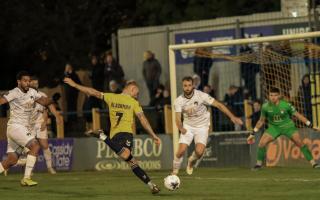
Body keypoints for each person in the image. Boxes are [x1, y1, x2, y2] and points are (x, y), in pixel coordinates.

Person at [63, 77, 161, 194]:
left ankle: (152, 185)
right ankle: (102, 136)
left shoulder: (111, 97)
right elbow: (143, 119)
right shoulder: (133, 102)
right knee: (126, 155)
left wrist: (75, 85)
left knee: (132, 161)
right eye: (137, 93)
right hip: (124, 134)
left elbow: (92, 92)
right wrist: (153, 135)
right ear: (132, 89)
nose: (137, 95)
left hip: (116, 136)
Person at [172, 76, 243, 175]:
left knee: (200, 152)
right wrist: (180, 127)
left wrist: (232, 117)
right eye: (185, 86)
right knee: (180, 151)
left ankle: (191, 161)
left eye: (189, 85)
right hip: (188, 127)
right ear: (182, 86)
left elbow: (219, 105)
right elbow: (177, 118)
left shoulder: (201, 95)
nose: (187, 88)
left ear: (193, 85)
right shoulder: (179, 100)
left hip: (202, 126)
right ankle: (174, 173)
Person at [0, 71, 55, 186]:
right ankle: (26, 178)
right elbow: (2, 101)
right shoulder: (14, 92)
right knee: (35, 145)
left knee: (11, 160)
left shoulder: (32, 92)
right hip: (16, 126)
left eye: (28, 81)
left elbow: (44, 101)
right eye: (25, 81)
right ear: (19, 81)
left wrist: (53, 99)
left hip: (20, 129)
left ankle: (25, 177)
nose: (27, 83)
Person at [247, 87, 320, 169]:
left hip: (288, 126)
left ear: (279, 96)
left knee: (300, 143)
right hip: (274, 127)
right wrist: (252, 133)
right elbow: (261, 121)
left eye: (275, 95)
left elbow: (298, 115)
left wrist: (311, 125)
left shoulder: (286, 105)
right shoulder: (265, 107)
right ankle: (258, 165)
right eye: (271, 95)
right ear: (269, 96)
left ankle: (314, 163)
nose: (273, 97)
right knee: (261, 143)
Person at [29, 76, 63, 174]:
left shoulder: (42, 94)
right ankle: (29, 169)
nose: (36, 85)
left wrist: (55, 116)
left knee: (45, 145)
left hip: (40, 124)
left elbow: (48, 107)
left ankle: (49, 167)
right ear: (29, 83)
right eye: (34, 83)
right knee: (30, 148)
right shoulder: (25, 95)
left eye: (37, 83)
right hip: (29, 125)